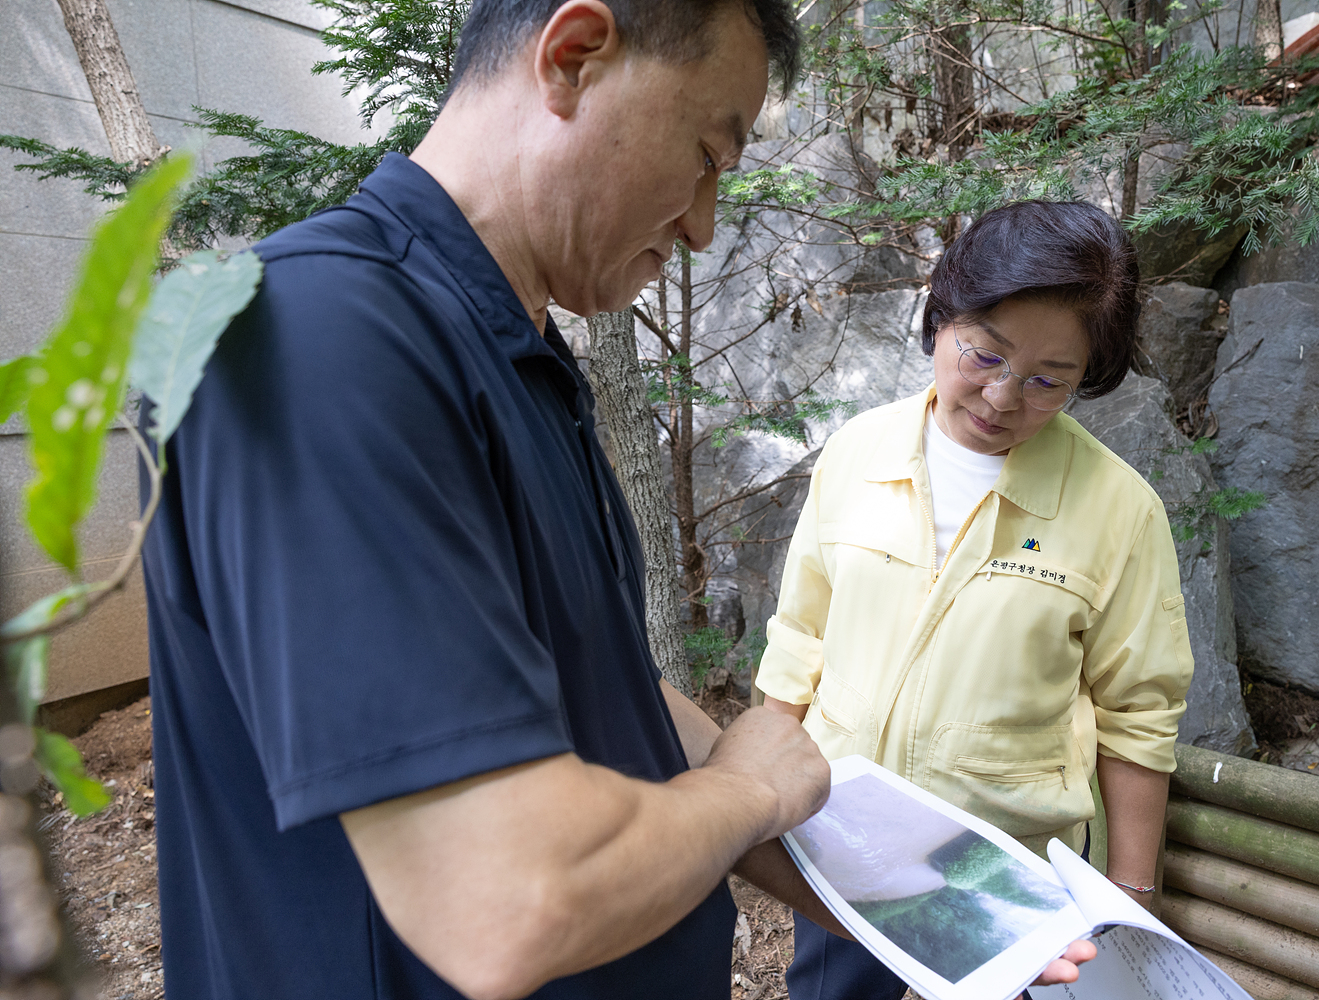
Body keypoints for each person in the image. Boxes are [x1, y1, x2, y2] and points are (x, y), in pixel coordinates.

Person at [139, 2, 1094, 998]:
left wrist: (934, 908)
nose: (703, 225)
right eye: (707, 155)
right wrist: (747, 789)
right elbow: (504, 900)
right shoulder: (322, 339)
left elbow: (601, 694)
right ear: (573, 57)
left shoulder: (512, 353)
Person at [756, 201, 1194, 1000]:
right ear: (941, 318)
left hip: (1006, 867)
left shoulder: (1119, 510)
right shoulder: (856, 454)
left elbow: (1139, 710)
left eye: (1047, 381)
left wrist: (1131, 895)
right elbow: (800, 636)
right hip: (846, 836)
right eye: (984, 355)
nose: (1000, 397)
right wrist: (760, 795)